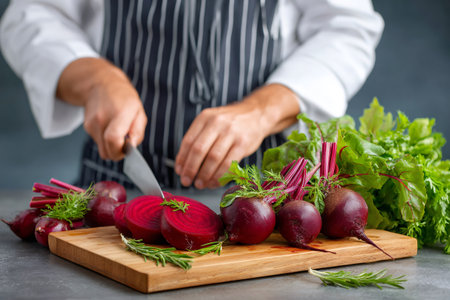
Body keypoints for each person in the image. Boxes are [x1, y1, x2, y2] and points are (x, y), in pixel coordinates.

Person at [0, 0, 383, 190]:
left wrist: (262, 110)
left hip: (265, 201)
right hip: (114, 188)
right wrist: (96, 79)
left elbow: (347, 29)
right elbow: (31, 14)